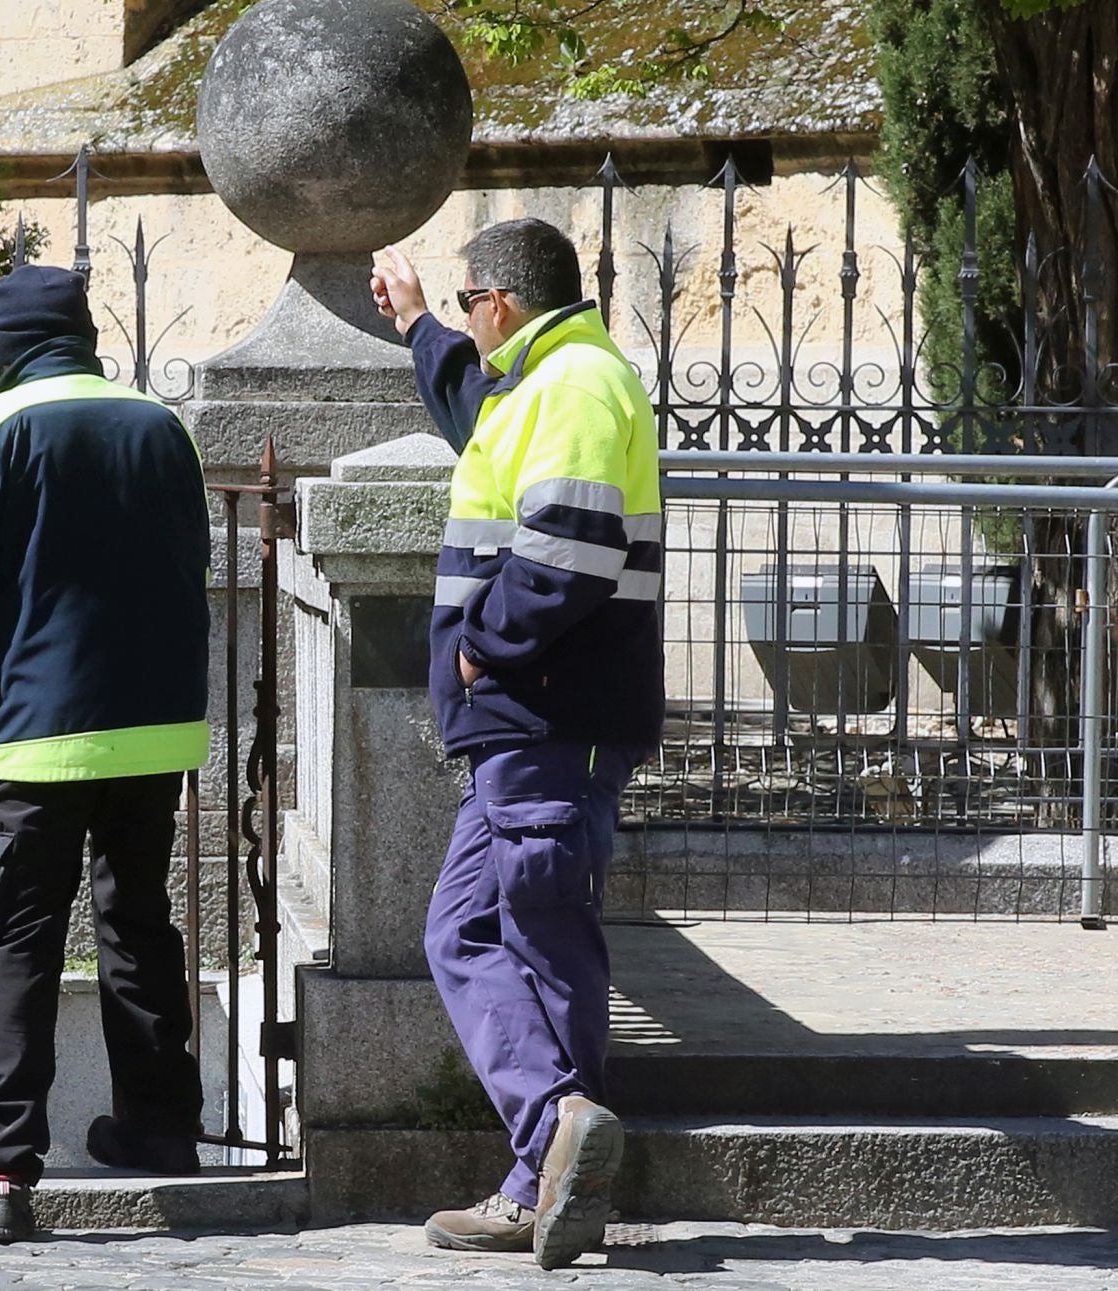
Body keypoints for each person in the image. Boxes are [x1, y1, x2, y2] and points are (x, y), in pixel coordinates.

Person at [0, 264, 210, 1245]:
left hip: (38, 726)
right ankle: (160, 1126)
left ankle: (1, 1169)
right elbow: (193, 556)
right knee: (139, 919)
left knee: (20, 937)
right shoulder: (162, 426)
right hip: (157, 724)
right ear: (84, 333)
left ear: (7, 341)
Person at [369, 219, 664, 1270]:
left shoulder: (575, 384)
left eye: (459, 304)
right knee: (477, 931)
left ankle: (550, 1140)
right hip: (537, 721)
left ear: (496, 302)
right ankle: (544, 1161)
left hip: (545, 711)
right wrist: (413, 326)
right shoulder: (542, 381)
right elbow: (477, 414)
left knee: (536, 938)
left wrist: (482, 649)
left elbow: (569, 551)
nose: (462, 322)